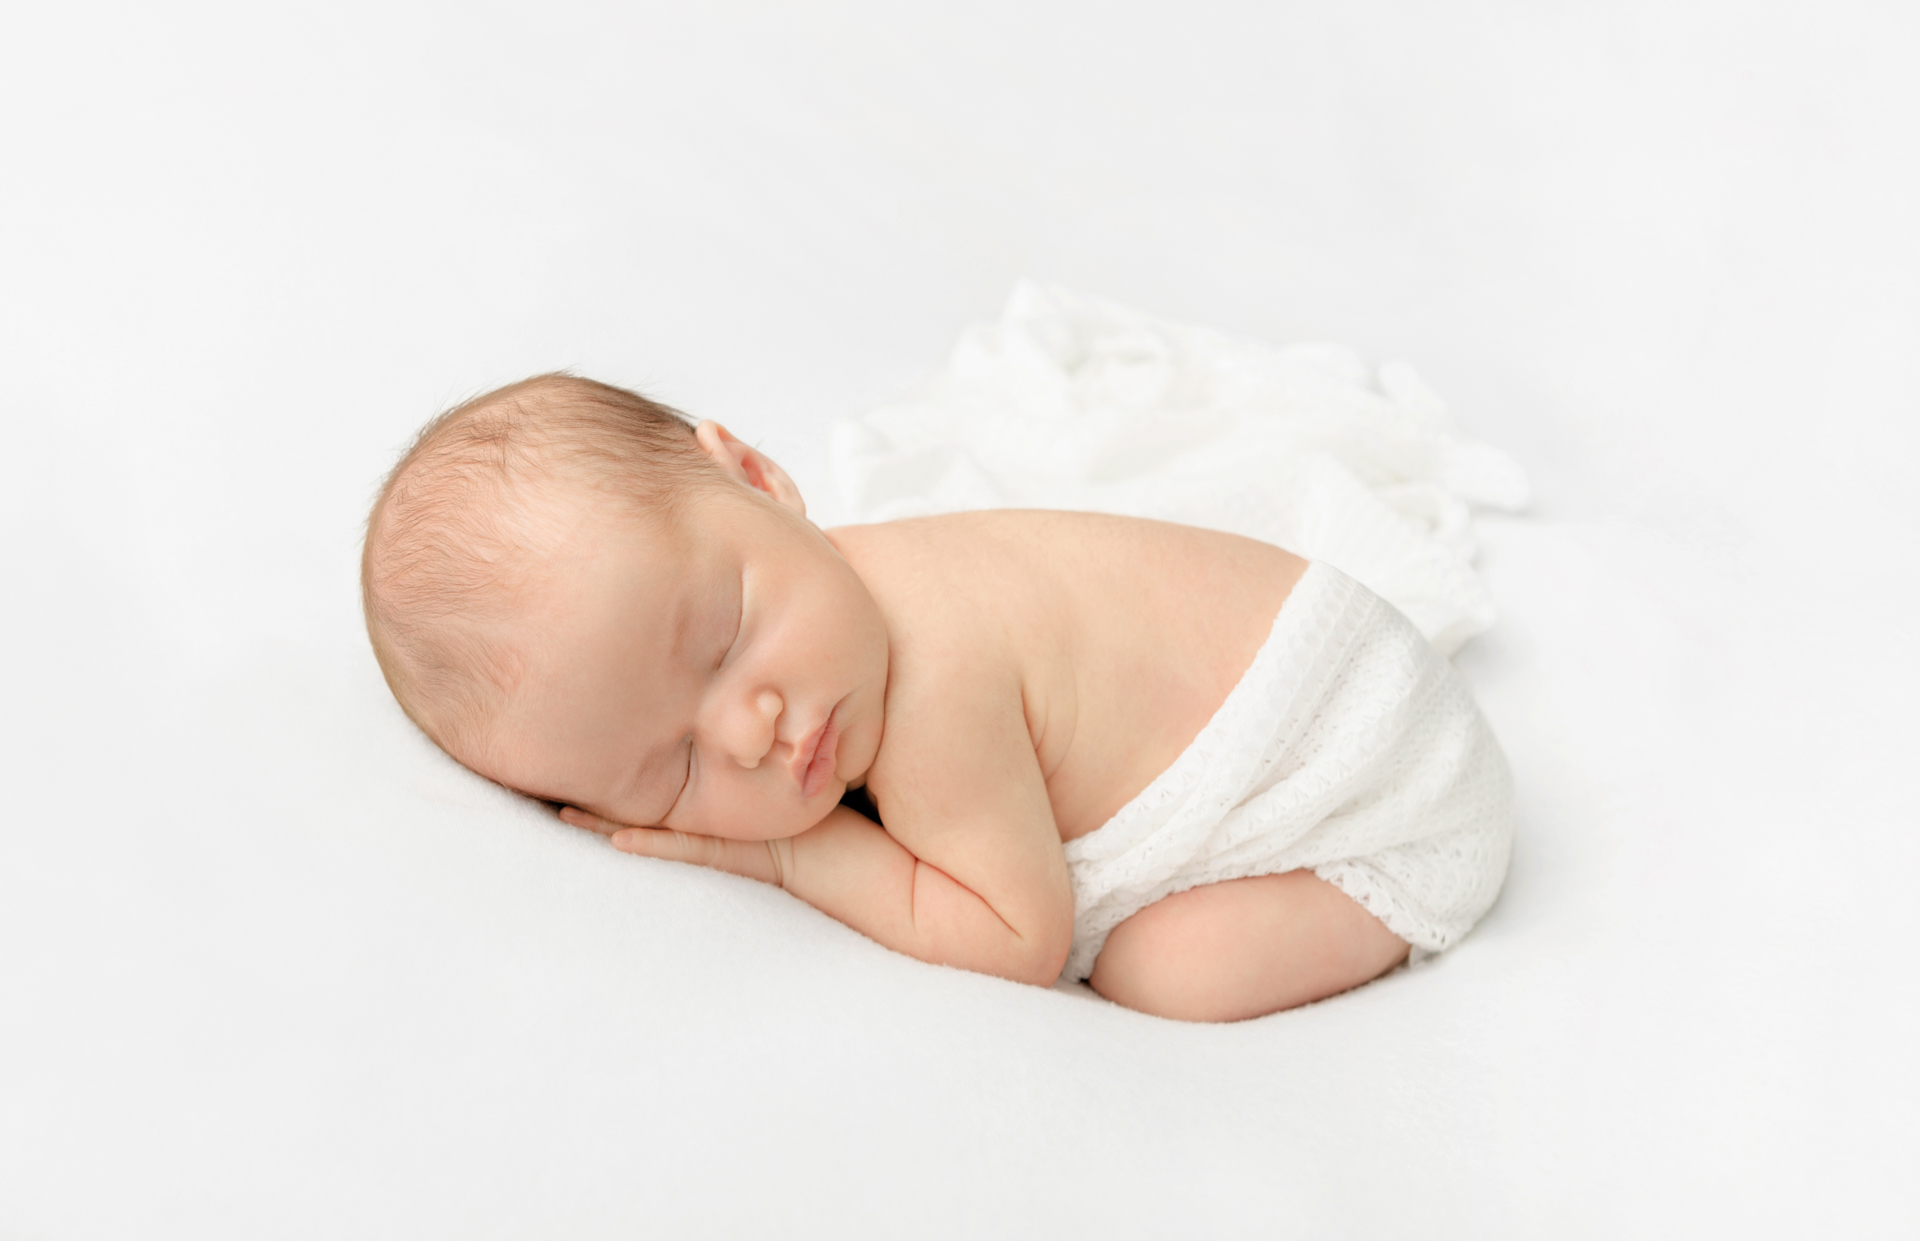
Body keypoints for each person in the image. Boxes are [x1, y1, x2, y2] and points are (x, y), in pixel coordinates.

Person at [362, 374, 1512, 1022]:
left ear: (760, 476)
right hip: (1348, 658)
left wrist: (787, 861)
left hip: (1380, 780)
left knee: (1155, 976)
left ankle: (1396, 901)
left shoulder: (933, 686)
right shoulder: (837, 590)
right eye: (675, 770)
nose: (749, 728)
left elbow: (1019, 937)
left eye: (725, 637)